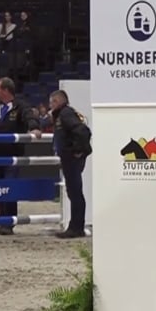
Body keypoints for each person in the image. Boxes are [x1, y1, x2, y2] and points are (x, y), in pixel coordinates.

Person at [0, 76, 38, 235]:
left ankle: (9, 222)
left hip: (12, 155)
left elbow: (30, 117)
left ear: (6, 90)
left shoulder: (20, 106)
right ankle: (2, 220)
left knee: (10, 187)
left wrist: (34, 128)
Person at [46, 89, 91, 239]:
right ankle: (75, 226)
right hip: (69, 158)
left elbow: (83, 131)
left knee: (75, 192)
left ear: (57, 101)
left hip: (72, 159)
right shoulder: (63, 114)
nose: (50, 105)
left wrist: (77, 150)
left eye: (51, 102)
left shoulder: (66, 114)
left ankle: (76, 227)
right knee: (73, 192)